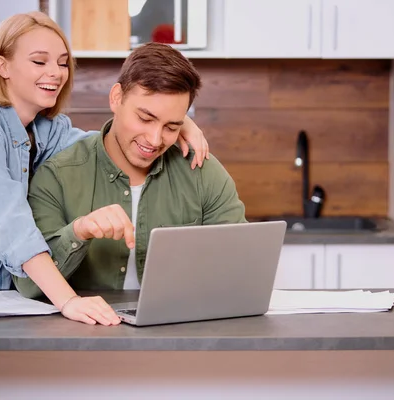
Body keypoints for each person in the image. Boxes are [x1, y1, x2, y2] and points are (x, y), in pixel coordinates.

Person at [0, 12, 209, 326]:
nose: (55, 72)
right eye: (40, 61)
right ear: (3, 66)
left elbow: (108, 145)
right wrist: (68, 300)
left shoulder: (47, 130)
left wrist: (175, 121)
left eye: (62, 62)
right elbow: (10, 224)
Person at [13, 42, 247, 325]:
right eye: (145, 118)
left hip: (183, 334)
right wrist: (79, 232)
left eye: (172, 126)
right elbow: (28, 286)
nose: (154, 139)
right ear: (116, 98)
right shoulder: (57, 176)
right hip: (85, 339)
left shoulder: (202, 172)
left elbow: (239, 269)